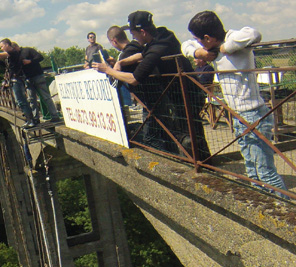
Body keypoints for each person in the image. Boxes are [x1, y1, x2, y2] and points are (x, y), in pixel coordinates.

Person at [182, 10, 289, 198]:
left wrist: (225, 48)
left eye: (199, 40)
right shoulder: (208, 50)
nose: (196, 42)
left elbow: (254, 33)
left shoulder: (235, 41)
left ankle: (288, 213)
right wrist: (200, 52)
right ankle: (264, 206)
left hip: (254, 114)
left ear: (208, 37)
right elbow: (185, 45)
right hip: (240, 116)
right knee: (252, 171)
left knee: (266, 174)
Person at [96, 10, 210, 162]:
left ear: (142, 32)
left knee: (187, 133)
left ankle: (200, 164)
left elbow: (135, 79)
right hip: (185, 91)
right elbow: (144, 54)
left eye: (133, 33)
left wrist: (108, 70)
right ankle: (203, 161)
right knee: (191, 131)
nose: (132, 37)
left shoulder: (158, 48)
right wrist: (121, 62)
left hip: (185, 94)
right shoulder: (163, 35)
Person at [0, 38, 42, 128]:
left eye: (2, 46)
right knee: (19, 101)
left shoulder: (13, 52)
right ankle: (29, 120)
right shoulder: (10, 55)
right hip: (14, 80)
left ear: (7, 45)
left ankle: (31, 120)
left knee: (21, 100)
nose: (1, 48)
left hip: (17, 80)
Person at [12, 42, 63, 123]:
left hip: (37, 76)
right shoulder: (16, 56)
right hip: (28, 79)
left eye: (13, 49)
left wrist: (30, 61)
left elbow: (40, 57)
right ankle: (36, 118)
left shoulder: (28, 50)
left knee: (45, 97)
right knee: (32, 99)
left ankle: (54, 116)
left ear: (15, 47)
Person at [106, 25, 143, 107]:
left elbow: (115, 83)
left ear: (114, 41)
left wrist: (108, 69)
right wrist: (116, 63)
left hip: (145, 98)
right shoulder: (137, 45)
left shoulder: (125, 55)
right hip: (156, 92)